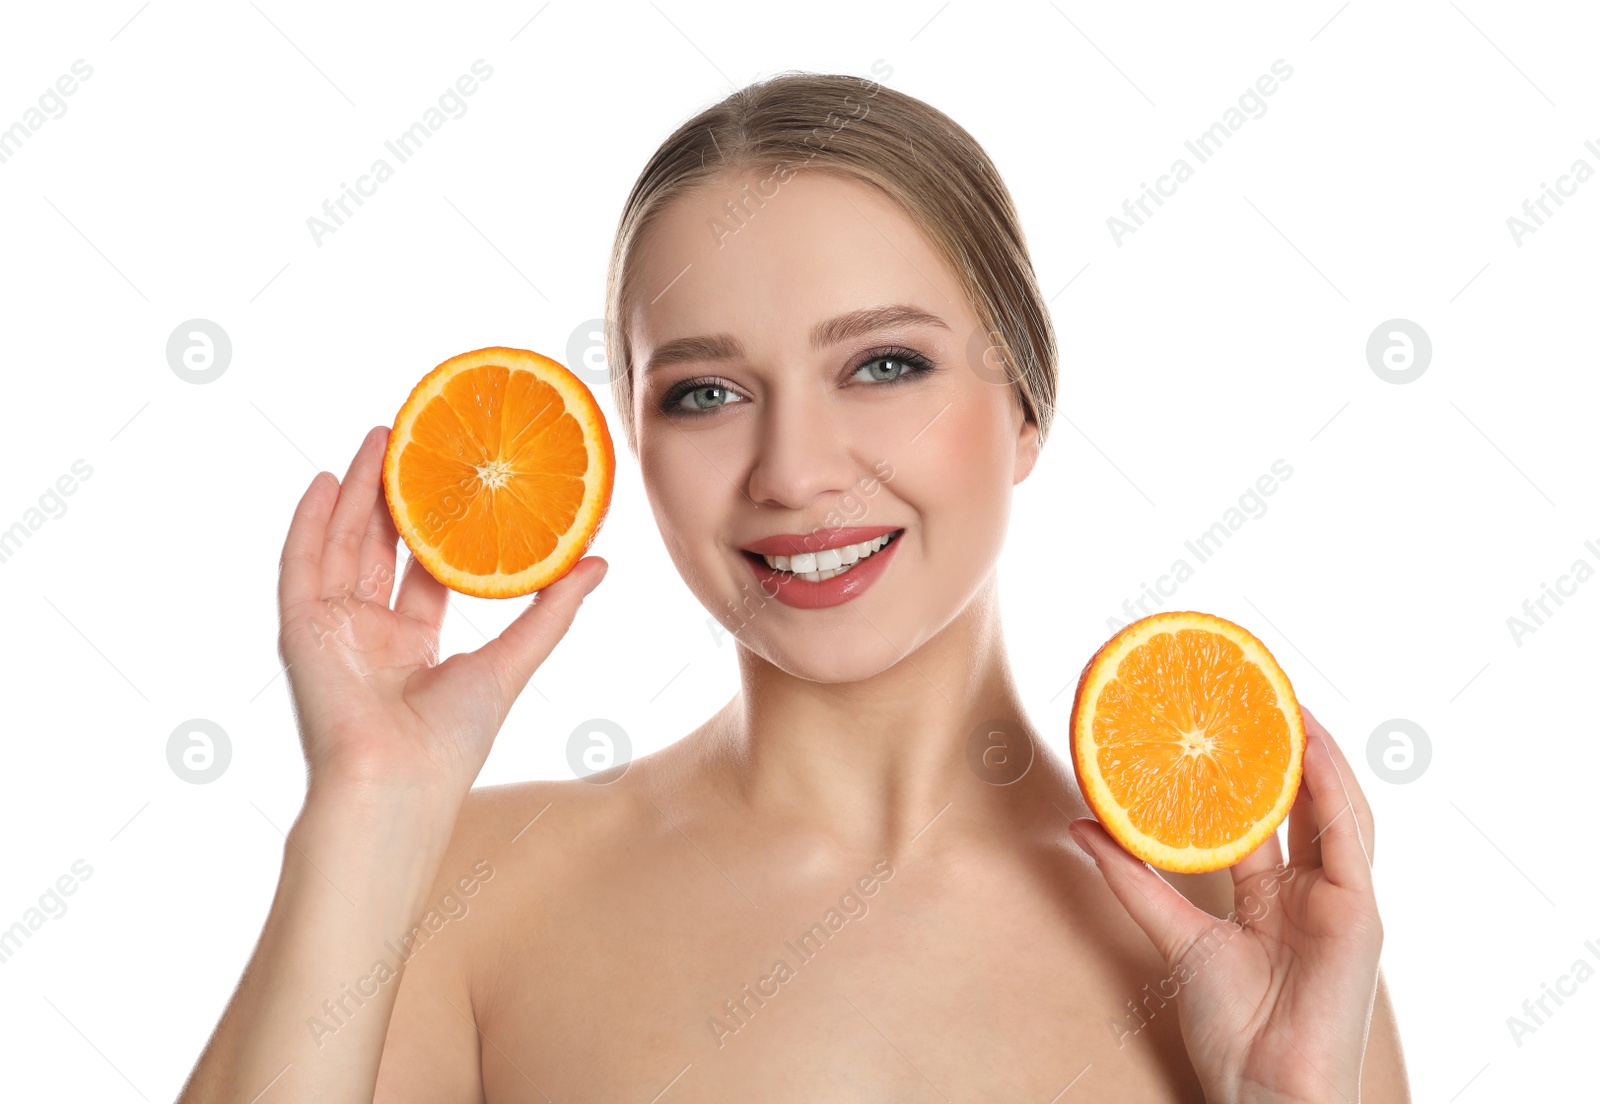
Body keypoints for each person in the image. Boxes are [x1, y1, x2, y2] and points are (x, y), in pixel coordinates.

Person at [178, 71, 1409, 1102]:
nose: (795, 469)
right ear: (633, 446)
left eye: (883, 363)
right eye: (705, 392)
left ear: (1026, 405)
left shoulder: (1229, 934)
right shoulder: (465, 894)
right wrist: (368, 809)